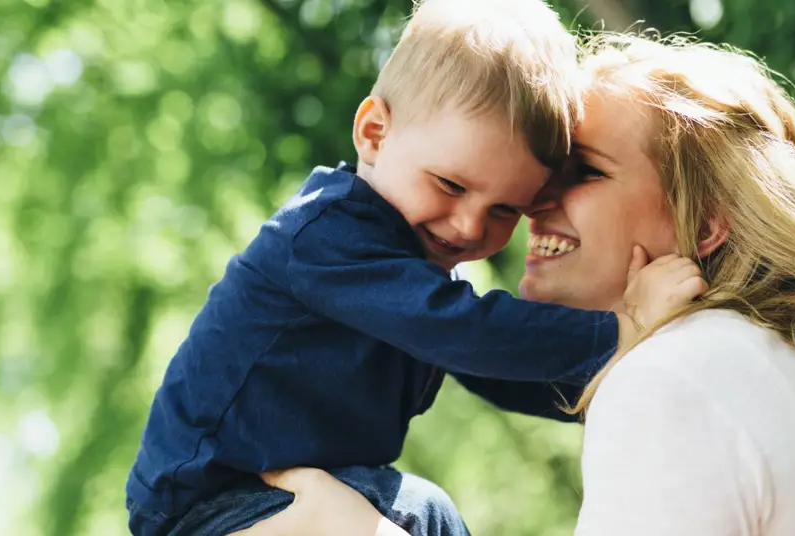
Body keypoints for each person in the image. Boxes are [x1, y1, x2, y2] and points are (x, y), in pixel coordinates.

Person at [248, 30, 795, 536]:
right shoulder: (750, 360)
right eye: (538, 175)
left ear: (705, 225)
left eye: (582, 172)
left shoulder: (673, 380)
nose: (529, 202)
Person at [125, 2, 709, 534]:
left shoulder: (417, 274)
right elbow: (469, 331)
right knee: (423, 515)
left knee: (425, 513)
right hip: (206, 500)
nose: (468, 227)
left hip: (288, 490)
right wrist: (621, 328)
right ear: (374, 133)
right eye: (451, 185)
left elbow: (499, 370)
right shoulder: (325, 237)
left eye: (505, 209)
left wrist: (613, 387)